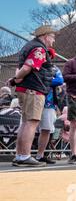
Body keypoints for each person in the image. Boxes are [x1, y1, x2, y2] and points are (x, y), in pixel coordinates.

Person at [7, 25, 56, 167]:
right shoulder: (39, 49)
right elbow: (27, 67)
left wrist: (15, 80)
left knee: (25, 122)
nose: (53, 41)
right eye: (52, 37)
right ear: (45, 36)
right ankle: (25, 156)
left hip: (26, 88)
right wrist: (17, 77)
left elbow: (23, 67)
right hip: (34, 89)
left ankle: (20, 155)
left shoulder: (28, 46)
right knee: (32, 122)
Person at [36, 55, 64, 164]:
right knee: (28, 127)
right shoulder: (32, 66)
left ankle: (40, 155)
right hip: (34, 99)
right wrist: (49, 79)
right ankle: (22, 155)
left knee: (46, 129)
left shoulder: (54, 68)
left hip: (49, 102)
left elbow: (59, 80)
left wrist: (43, 80)